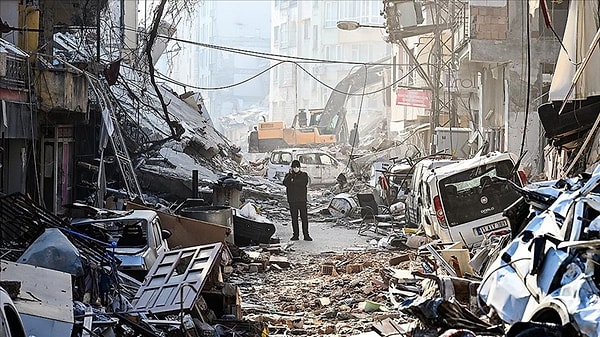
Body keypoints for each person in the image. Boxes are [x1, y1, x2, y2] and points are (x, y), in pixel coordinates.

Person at [283, 160, 312, 241]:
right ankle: (295, 235)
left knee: (304, 218)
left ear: (299, 167)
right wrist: (290, 176)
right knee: (294, 218)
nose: (296, 168)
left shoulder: (304, 175)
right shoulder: (288, 175)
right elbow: (285, 183)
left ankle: (306, 235)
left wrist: (293, 181)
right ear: (292, 168)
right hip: (292, 200)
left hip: (302, 200)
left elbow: (303, 183)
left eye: (297, 167)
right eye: (294, 167)